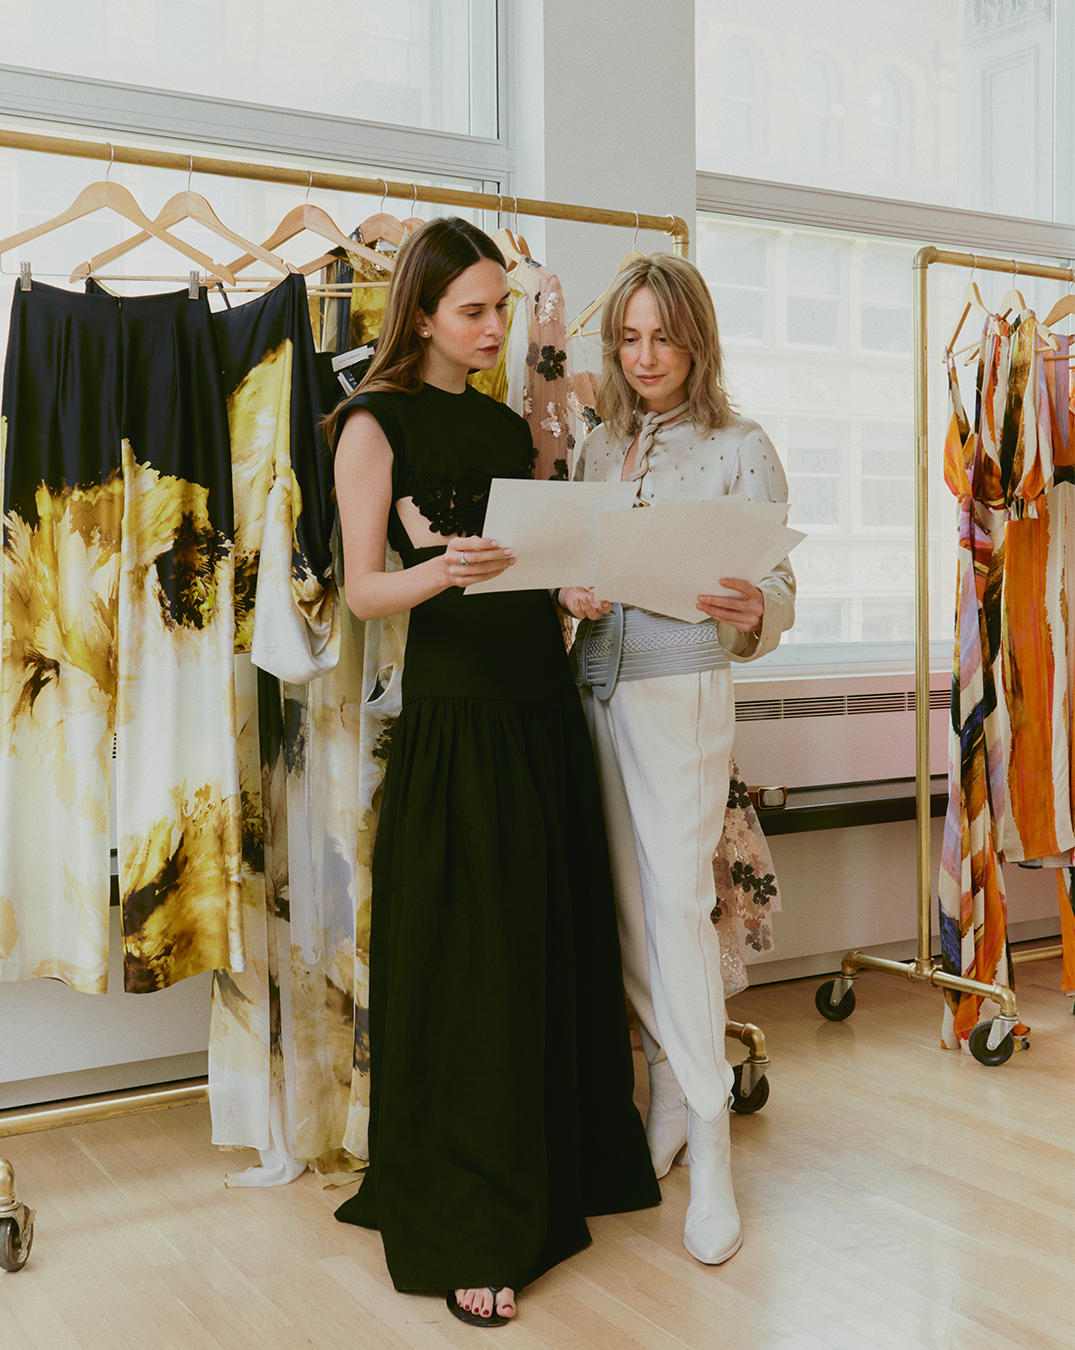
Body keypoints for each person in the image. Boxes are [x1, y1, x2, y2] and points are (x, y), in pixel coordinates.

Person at [327, 218, 660, 1328]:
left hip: (537, 710)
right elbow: (362, 592)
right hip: (460, 721)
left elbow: (546, 525)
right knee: (475, 967)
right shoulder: (372, 425)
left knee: (547, 943)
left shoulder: (501, 421)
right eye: (471, 311)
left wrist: (565, 591)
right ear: (420, 313)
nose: (488, 328)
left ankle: (559, 1165)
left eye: (499, 310)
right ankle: (474, 1213)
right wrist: (443, 574)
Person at [560, 254, 795, 1265]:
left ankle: (710, 1137)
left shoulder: (741, 446)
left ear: (696, 339)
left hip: (680, 689)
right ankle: (665, 1090)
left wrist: (758, 612)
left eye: (663, 335)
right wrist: (567, 595)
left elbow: (778, 590)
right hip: (593, 688)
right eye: (628, 337)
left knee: (674, 910)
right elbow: (570, 567)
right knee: (623, 913)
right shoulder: (596, 443)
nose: (644, 356)